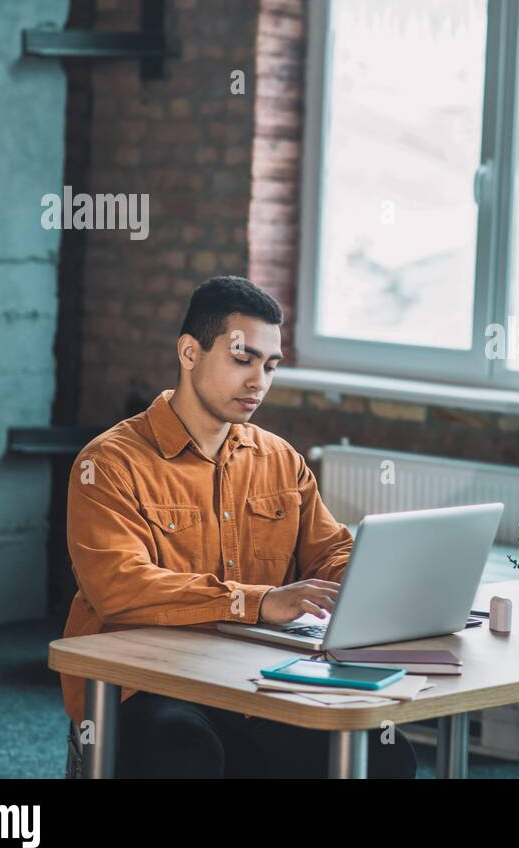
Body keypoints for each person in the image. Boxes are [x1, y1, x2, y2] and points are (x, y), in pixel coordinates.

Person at [60, 276, 417, 778]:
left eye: (270, 366)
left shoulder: (278, 458)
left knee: (385, 752)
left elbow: (329, 551)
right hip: (153, 685)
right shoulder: (108, 463)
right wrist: (257, 601)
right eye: (242, 359)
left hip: (254, 679)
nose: (259, 382)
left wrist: (372, 578)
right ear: (189, 353)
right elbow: (119, 588)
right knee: (179, 746)